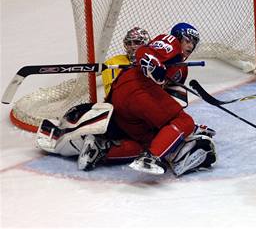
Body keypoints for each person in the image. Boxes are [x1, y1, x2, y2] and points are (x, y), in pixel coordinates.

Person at [36, 23, 217, 177]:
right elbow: (146, 51)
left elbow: (166, 104)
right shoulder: (170, 42)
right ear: (178, 37)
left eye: (194, 42)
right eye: (188, 39)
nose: (191, 45)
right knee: (184, 121)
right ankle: (152, 158)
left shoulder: (181, 69)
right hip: (136, 86)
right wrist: (152, 63)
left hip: (128, 104)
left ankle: (101, 149)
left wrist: (189, 131)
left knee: (149, 140)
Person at [102, 27, 151, 97]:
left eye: (137, 42)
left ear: (147, 43)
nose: (132, 46)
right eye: (129, 43)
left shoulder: (156, 62)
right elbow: (111, 94)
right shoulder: (112, 63)